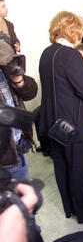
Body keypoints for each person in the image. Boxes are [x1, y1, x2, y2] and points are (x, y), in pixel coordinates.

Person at [38, 11, 83, 223]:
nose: (82, 33)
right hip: (73, 124)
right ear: (72, 30)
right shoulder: (71, 55)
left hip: (53, 122)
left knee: (62, 166)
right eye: (80, 29)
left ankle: (69, 208)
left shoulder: (46, 53)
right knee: (78, 169)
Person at [0, 40, 37, 179]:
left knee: (24, 198)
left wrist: (19, 81)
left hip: (17, 152)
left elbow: (31, 92)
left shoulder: (5, 68)